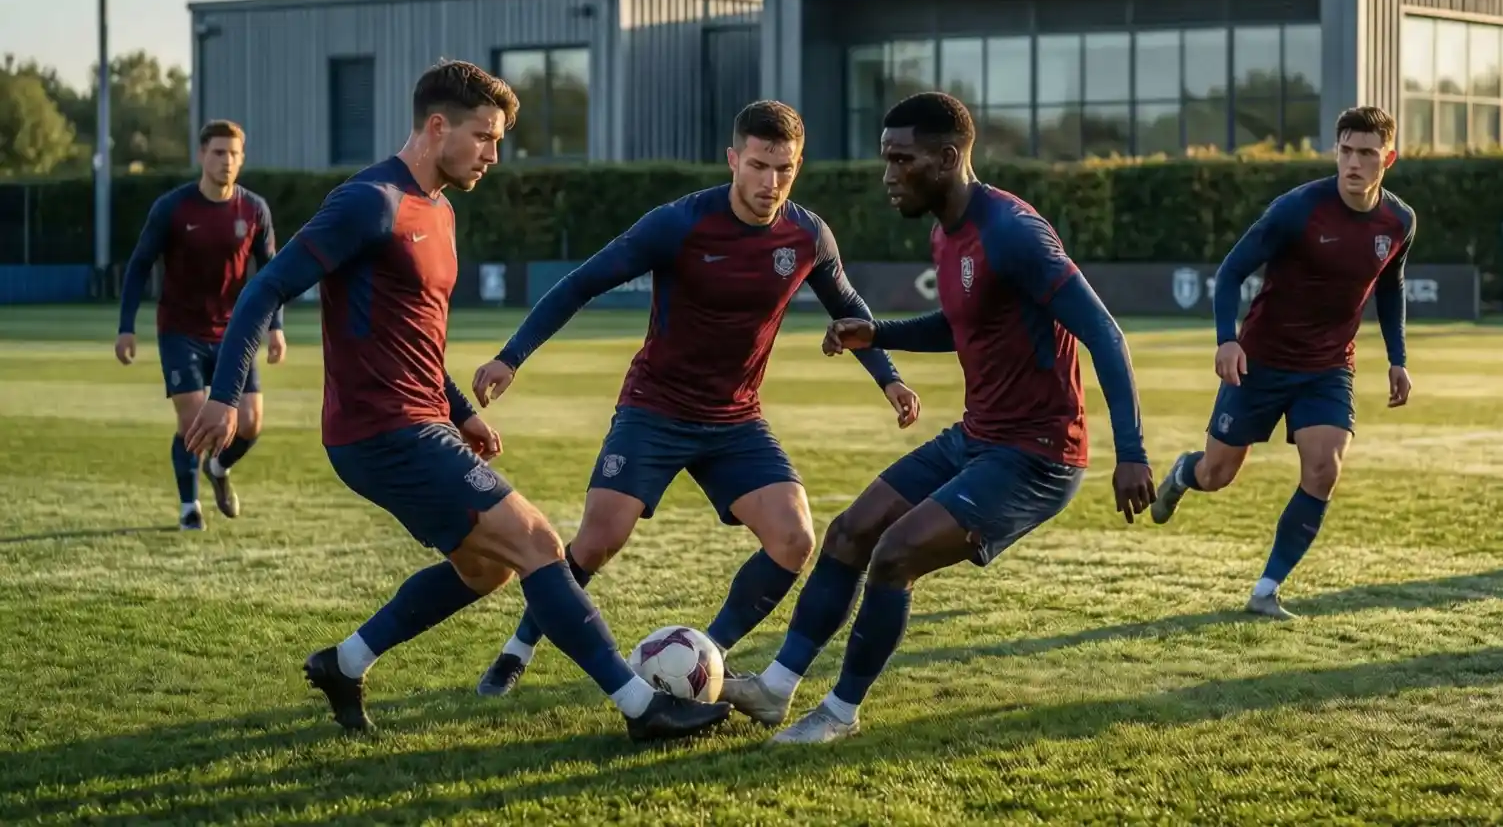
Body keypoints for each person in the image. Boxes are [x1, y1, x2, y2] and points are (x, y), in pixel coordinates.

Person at [184, 59, 731, 742]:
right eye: (484, 137)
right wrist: (226, 395)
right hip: (380, 430)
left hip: (419, 421)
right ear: (437, 126)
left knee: (486, 568)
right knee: (535, 542)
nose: (493, 155)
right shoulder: (368, 201)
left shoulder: (439, 211)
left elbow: (412, 335)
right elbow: (265, 290)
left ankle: (344, 663)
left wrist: (458, 408)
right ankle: (642, 707)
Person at [719, 91, 1155, 744]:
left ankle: (838, 713)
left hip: (1037, 456)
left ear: (948, 158)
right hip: (978, 437)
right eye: (885, 159)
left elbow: (1106, 334)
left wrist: (1133, 452)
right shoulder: (946, 233)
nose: (889, 175)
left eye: (902, 160)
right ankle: (777, 687)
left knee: (895, 555)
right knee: (849, 532)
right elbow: (963, 325)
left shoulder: (1014, 232)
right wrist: (879, 333)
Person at [469, 100, 921, 711]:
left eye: (784, 169)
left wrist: (888, 378)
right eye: (759, 166)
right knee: (598, 540)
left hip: (736, 420)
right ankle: (518, 648)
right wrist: (510, 356)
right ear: (733, 159)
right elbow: (582, 283)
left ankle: (705, 652)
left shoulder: (807, 234)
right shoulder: (678, 223)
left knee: (794, 539)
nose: (770, 183)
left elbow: (849, 308)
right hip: (653, 409)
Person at [1148, 105, 1417, 621]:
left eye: (1366, 153)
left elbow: (1390, 285)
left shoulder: (1399, 221)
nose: (1354, 163)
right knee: (1218, 473)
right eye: (1346, 151)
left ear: (1389, 157)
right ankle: (1185, 473)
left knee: (1324, 468)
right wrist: (1228, 341)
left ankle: (1266, 590)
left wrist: (1397, 359)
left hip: (1328, 366)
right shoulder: (1296, 210)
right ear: (1335, 151)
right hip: (1262, 361)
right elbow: (1230, 273)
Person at [116, 119, 287, 531]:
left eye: (233, 154)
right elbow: (139, 265)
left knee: (250, 423)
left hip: (236, 332)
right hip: (180, 329)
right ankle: (189, 505)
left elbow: (271, 272)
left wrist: (275, 325)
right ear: (201, 156)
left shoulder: (254, 209)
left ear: (242, 159)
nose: (226, 161)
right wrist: (126, 326)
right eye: (217, 152)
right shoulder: (173, 208)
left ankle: (219, 468)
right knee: (195, 423)